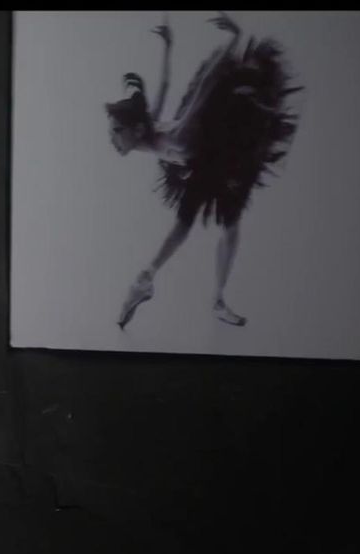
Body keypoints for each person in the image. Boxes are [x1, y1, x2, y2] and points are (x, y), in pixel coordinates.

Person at [107, 11, 301, 329]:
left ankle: (215, 299)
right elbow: (164, 83)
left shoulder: (174, 134)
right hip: (194, 166)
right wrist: (168, 47)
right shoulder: (145, 133)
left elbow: (208, 83)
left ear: (137, 129)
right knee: (183, 224)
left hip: (222, 158)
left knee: (228, 226)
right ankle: (145, 281)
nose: (112, 139)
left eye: (116, 131)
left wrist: (234, 39)